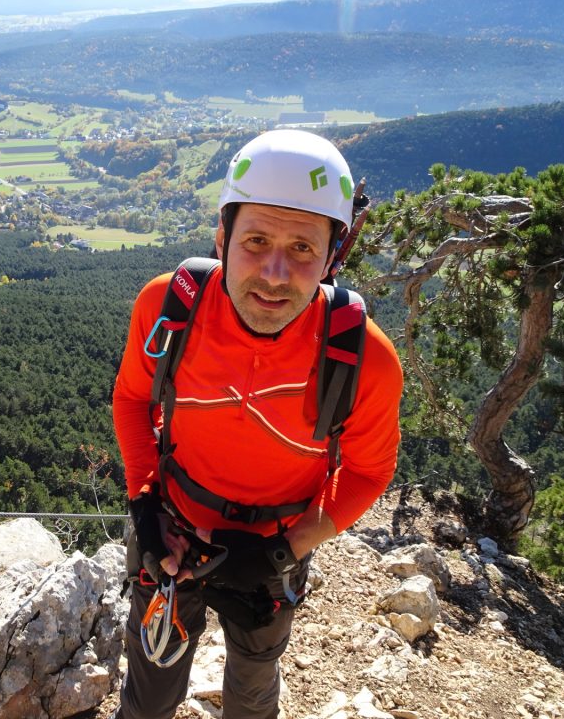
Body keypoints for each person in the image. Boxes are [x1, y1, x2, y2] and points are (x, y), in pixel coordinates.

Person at [111, 129, 403, 719]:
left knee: (252, 684)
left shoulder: (364, 359)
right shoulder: (168, 307)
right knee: (150, 688)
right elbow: (133, 400)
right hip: (172, 528)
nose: (273, 273)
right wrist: (144, 502)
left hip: (273, 549)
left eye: (301, 249)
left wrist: (283, 551)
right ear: (222, 238)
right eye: (256, 240)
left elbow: (371, 471)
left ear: (332, 256)